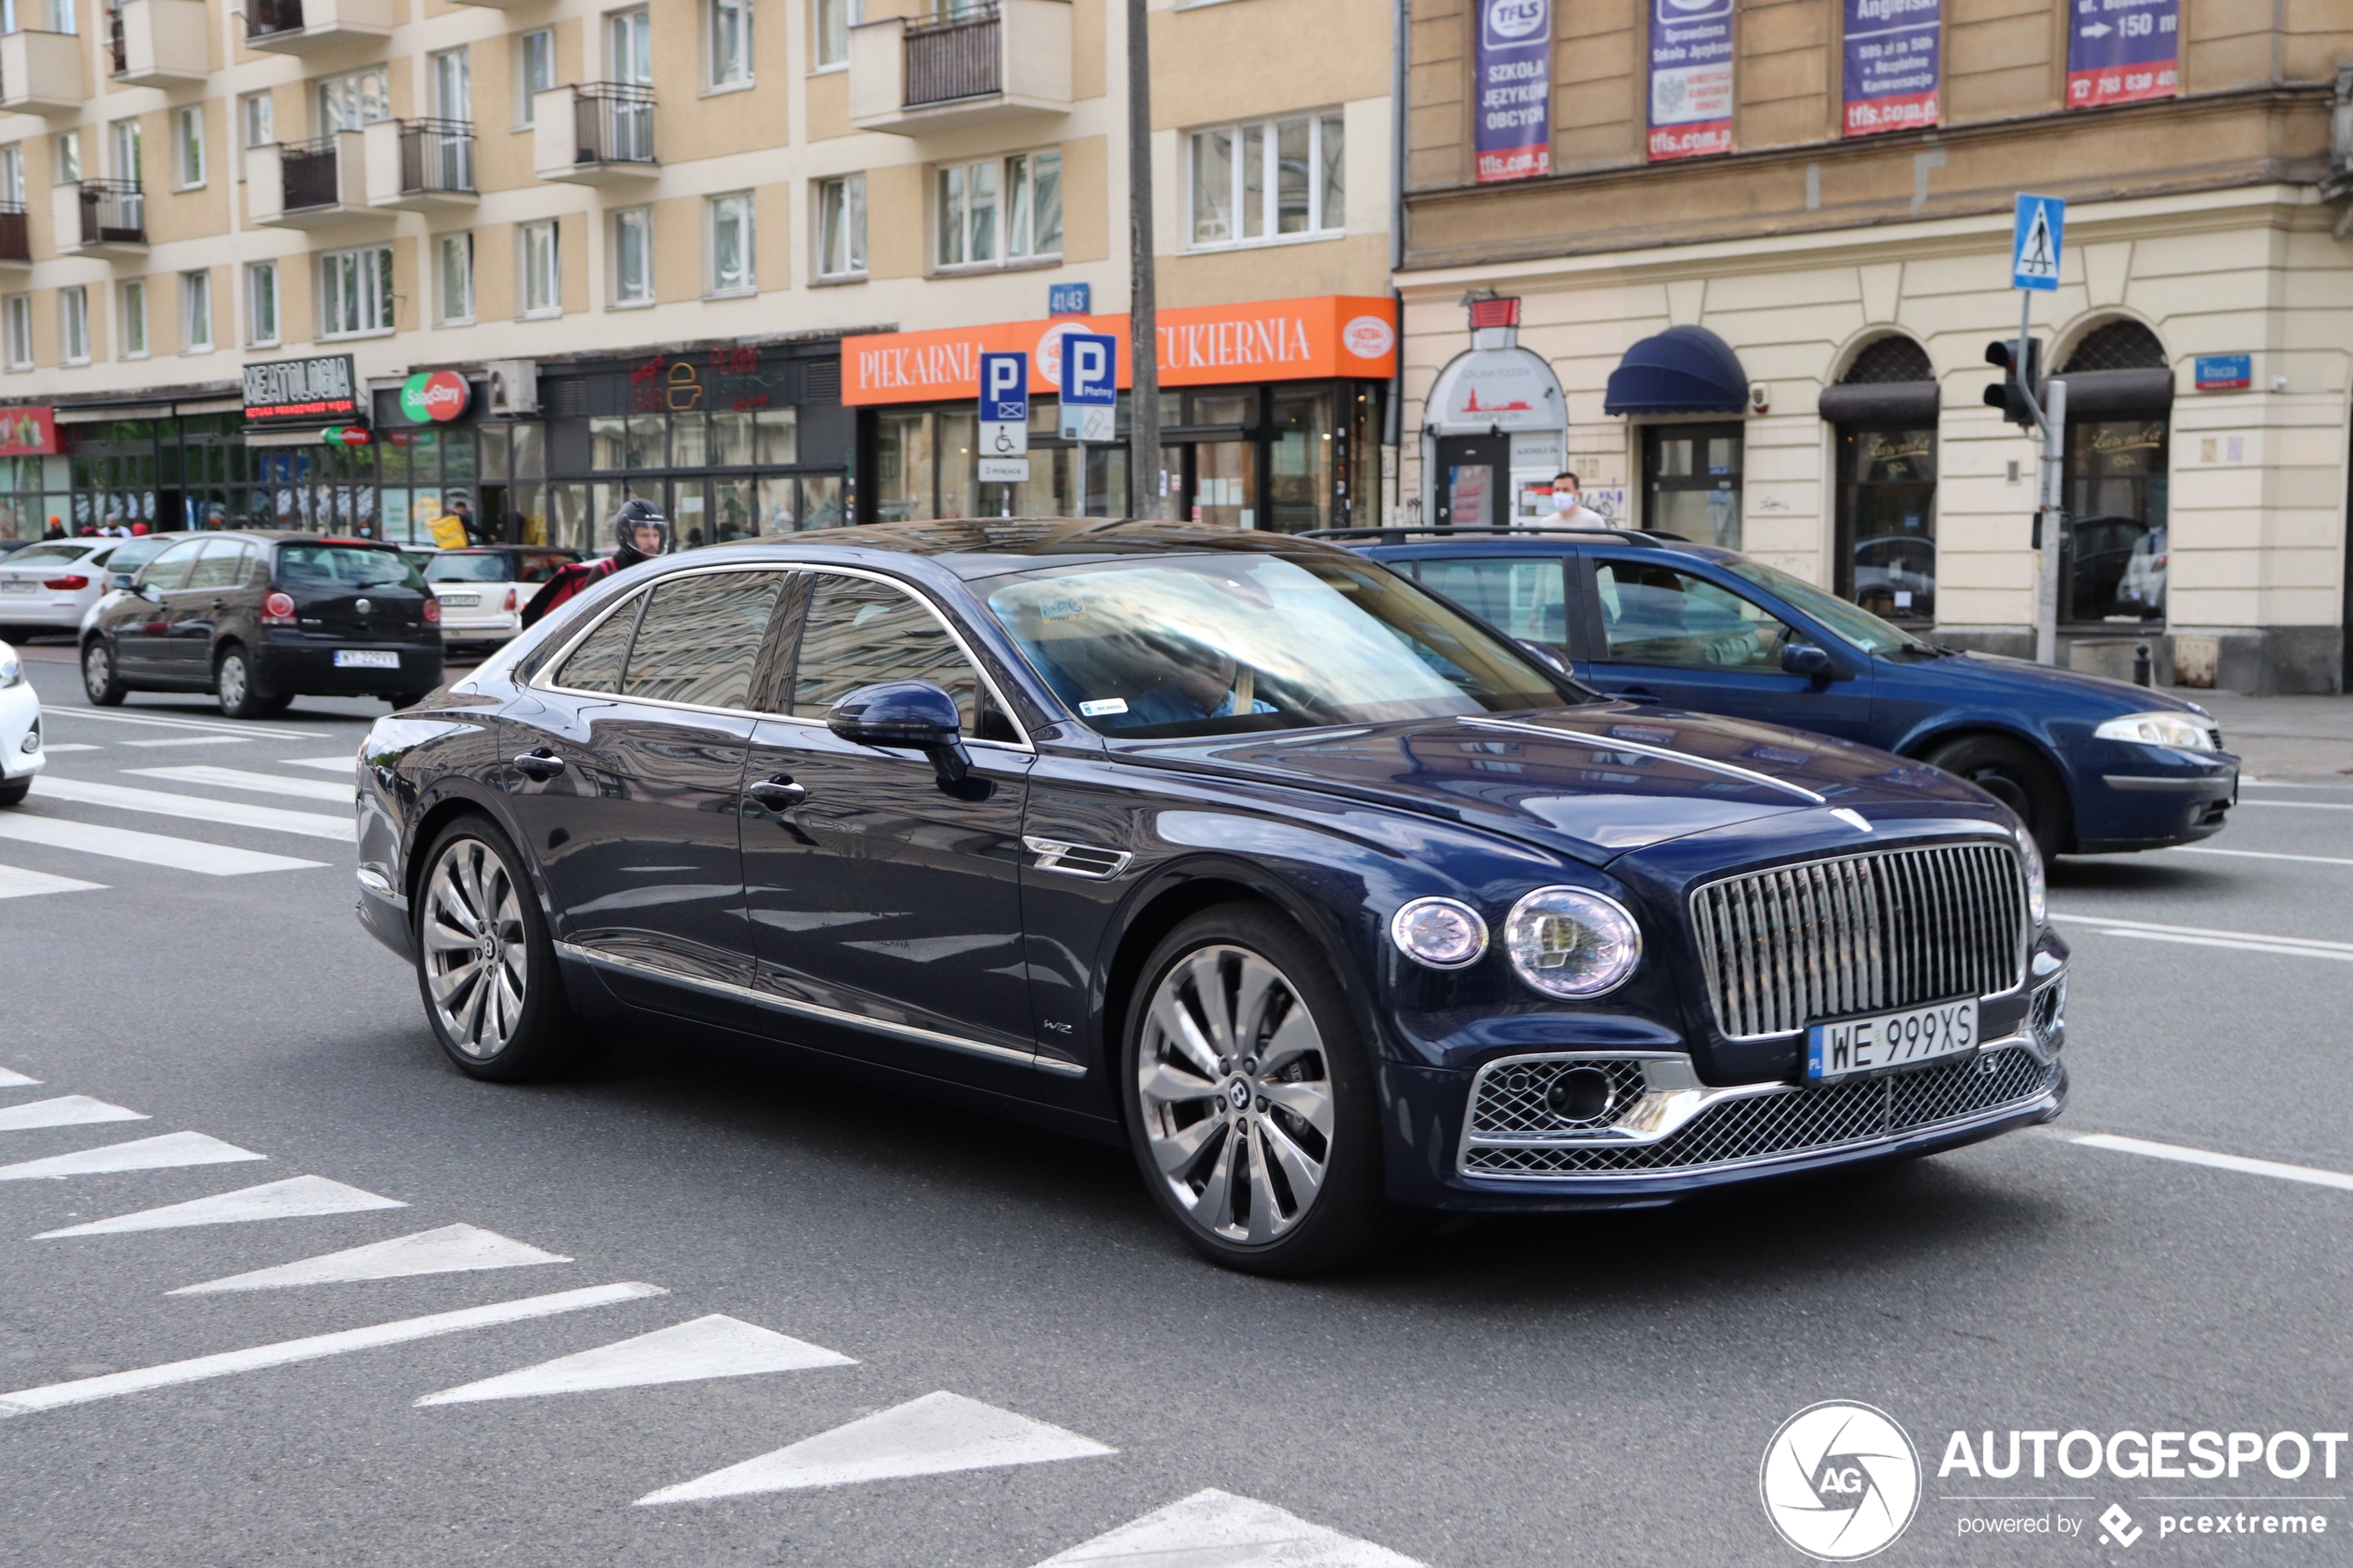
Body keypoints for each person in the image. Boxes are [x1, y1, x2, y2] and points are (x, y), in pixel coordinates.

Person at [521, 498, 673, 629]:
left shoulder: (659, 571)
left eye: (656, 535)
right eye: (645, 535)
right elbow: (586, 622)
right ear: (627, 536)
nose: (652, 542)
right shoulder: (605, 572)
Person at [1541, 471, 1608, 530]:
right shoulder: (1546, 523)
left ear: (1577, 494)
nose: (1560, 494)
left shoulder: (1592, 520)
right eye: (1557, 490)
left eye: (1566, 490)